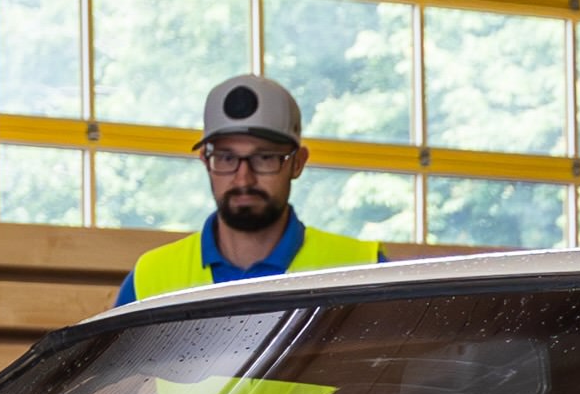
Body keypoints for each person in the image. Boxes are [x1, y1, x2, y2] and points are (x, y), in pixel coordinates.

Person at [110, 72, 387, 304]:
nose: (243, 179)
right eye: (226, 158)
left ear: (298, 163)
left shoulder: (365, 270)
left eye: (264, 158)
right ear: (206, 161)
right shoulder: (148, 281)